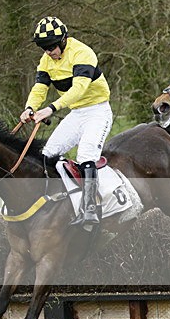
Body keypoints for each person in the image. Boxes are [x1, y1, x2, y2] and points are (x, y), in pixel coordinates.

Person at [20, 16, 112, 226]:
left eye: (51, 46)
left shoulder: (82, 53)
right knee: (47, 154)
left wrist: (51, 109)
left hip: (97, 112)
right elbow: (40, 88)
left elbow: (78, 89)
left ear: (63, 40)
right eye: (44, 48)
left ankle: (90, 210)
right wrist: (30, 107)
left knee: (86, 154)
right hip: (77, 114)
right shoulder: (46, 60)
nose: (49, 52)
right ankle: (58, 202)